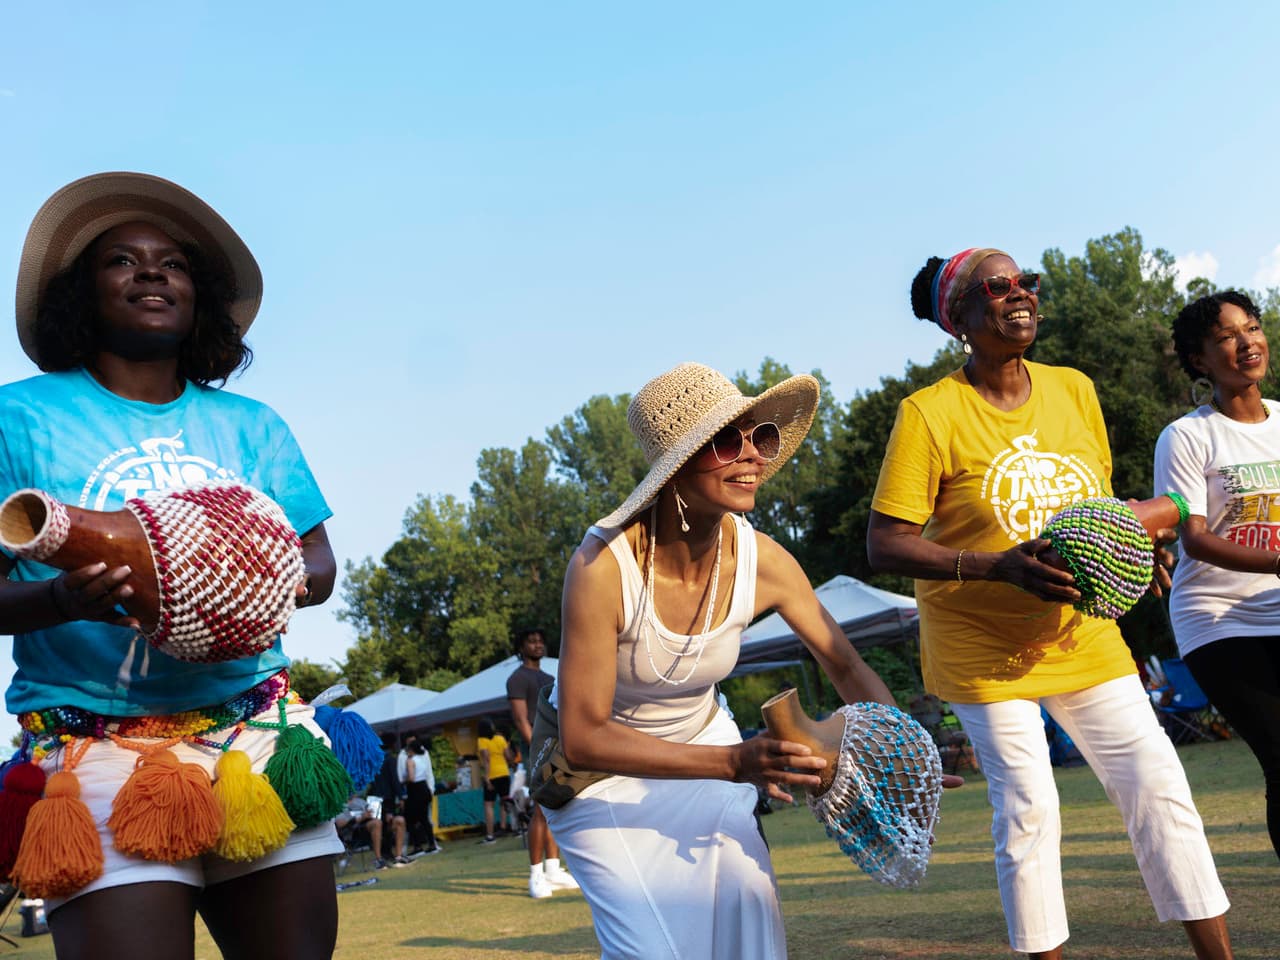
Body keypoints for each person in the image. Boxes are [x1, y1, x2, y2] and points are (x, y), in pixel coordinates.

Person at [0, 172, 341, 959]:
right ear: (82, 297)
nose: (152, 272)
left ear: (201, 297)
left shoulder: (252, 425)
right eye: (122, 259)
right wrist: (58, 601)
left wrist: (268, 578)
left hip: (257, 736)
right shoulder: (18, 418)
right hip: (96, 751)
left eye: (174, 264)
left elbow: (318, 558)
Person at [866, 248, 1233, 959]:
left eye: (1025, 281)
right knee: (1030, 805)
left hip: (1080, 636)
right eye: (995, 287)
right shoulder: (930, 414)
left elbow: (1095, 505)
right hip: (982, 647)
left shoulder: (1073, 389)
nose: (1018, 293)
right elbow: (885, 544)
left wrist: (1132, 549)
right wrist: (995, 566)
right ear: (960, 319)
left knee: (1159, 785)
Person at [550, 362, 898, 959]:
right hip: (599, 780)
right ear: (675, 467)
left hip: (710, 755)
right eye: (726, 440)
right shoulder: (602, 566)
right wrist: (735, 761)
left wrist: (897, 746)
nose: (753, 456)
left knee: (748, 922)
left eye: (760, 437)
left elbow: (844, 665)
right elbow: (582, 737)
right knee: (651, 951)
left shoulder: (765, 561)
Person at [1154, 290, 1280, 860]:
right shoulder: (1187, 436)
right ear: (1201, 360)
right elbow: (1195, 537)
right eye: (1227, 336)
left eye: (1251, 328)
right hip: (1221, 622)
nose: (1246, 342)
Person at [507, 627, 577, 898]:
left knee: (554, 807)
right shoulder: (517, 679)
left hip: (559, 745)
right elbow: (520, 719)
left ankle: (553, 869)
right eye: (530, 641)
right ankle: (536, 874)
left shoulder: (551, 676)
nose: (537, 645)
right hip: (538, 749)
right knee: (539, 810)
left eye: (539, 641)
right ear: (521, 646)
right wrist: (539, 748)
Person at [401, 735, 440, 855]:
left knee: (410, 819)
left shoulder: (410, 761)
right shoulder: (422, 759)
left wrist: (404, 780)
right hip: (424, 788)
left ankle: (417, 845)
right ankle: (432, 843)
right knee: (424, 818)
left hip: (415, 790)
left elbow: (412, 778)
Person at [476, 718, 513, 843]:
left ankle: (490, 835)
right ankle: (503, 827)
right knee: (505, 801)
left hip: (491, 775)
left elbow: (486, 759)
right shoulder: (500, 739)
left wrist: (487, 778)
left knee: (488, 805)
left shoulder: (482, 740)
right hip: (504, 773)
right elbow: (508, 756)